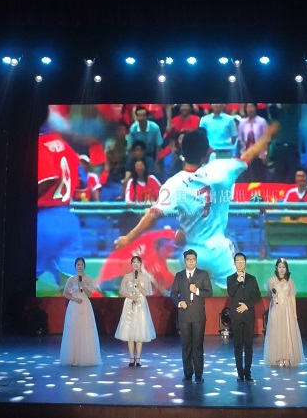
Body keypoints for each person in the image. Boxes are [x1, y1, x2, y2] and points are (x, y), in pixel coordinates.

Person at [113, 122, 280, 292]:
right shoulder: (221, 170)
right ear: (207, 153)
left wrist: (128, 238)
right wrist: (266, 136)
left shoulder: (174, 184)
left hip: (192, 254)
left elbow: (153, 214)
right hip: (219, 252)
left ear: (182, 152)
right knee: (239, 299)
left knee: (190, 301)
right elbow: (248, 155)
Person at [37, 122, 85, 292]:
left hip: (42, 218)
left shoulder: (39, 144)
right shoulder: (66, 146)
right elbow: (82, 182)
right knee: (72, 288)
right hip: (68, 219)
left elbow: (48, 178)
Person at [170, 249, 213, 383]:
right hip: (184, 316)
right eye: (188, 259)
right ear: (185, 261)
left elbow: (209, 292)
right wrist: (179, 303)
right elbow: (173, 294)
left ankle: (199, 375)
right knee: (186, 346)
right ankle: (188, 374)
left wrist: (197, 290)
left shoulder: (202, 274)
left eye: (193, 259)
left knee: (198, 346)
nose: (191, 262)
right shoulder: (180, 275)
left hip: (198, 316)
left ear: (196, 260)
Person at [115, 256, 157, 367]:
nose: (136, 264)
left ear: (141, 264)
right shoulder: (127, 276)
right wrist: (130, 297)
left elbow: (146, 293)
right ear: (131, 264)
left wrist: (138, 284)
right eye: (134, 262)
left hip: (141, 304)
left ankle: (138, 358)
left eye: (138, 262)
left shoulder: (145, 277)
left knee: (140, 331)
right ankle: (131, 357)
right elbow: (121, 291)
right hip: (129, 303)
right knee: (130, 332)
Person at [59, 257, 102, 366]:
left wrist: (83, 286)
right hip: (74, 306)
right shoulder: (71, 279)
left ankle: (85, 357)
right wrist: (74, 299)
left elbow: (90, 295)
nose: (80, 266)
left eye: (82, 264)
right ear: (75, 266)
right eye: (78, 264)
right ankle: (73, 358)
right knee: (74, 330)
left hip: (85, 305)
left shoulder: (88, 279)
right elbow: (65, 294)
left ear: (84, 266)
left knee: (85, 330)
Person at [263, 258, 304, 367]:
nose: (282, 269)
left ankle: (287, 356)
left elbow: (292, 297)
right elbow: (269, 293)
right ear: (276, 268)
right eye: (280, 267)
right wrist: (273, 293)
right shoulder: (272, 280)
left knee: (287, 333)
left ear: (286, 268)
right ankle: (278, 357)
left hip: (287, 310)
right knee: (277, 333)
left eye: (284, 267)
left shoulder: (290, 281)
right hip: (276, 309)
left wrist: (294, 313)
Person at [227, 252, 261, 382]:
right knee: (237, 346)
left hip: (248, 316)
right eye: (238, 261)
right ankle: (240, 373)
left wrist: (247, 305)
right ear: (234, 263)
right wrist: (238, 280)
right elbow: (231, 292)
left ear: (245, 263)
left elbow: (257, 296)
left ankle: (248, 372)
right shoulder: (231, 278)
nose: (240, 263)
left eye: (242, 261)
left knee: (248, 346)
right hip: (236, 316)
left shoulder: (252, 279)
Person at [237, 103, 269, 182]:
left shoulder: (262, 121)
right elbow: (240, 137)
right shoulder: (242, 122)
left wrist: (265, 153)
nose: (250, 109)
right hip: (246, 155)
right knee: (247, 178)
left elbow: (266, 138)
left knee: (259, 178)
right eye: (248, 107)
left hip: (259, 155)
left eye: (252, 107)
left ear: (255, 108)